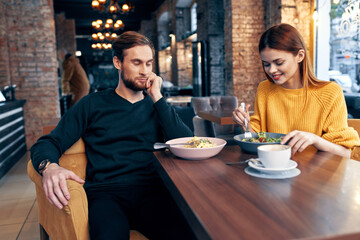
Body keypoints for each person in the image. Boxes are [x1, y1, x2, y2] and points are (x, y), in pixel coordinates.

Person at [31, 31, 195, 240]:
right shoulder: (92, 104)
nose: (145, 71)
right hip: (106, 194)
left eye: (148, 64)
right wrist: (50, 167)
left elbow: (188, 143)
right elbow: (48, 142)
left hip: (154, 192)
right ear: (118, 63)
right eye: (137, 63)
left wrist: (158, 98)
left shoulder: (157, 106)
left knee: (189, 232)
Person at [232, 23, 360, 158]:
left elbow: (345, 153)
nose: (271, 70)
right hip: (274, 170)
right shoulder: (265, 89)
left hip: (314, 175)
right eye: (266, 64)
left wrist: (315, 139)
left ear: (299, 55)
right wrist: (245, 123)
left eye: (279, 62)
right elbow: (258, 140)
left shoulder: (330, 92)